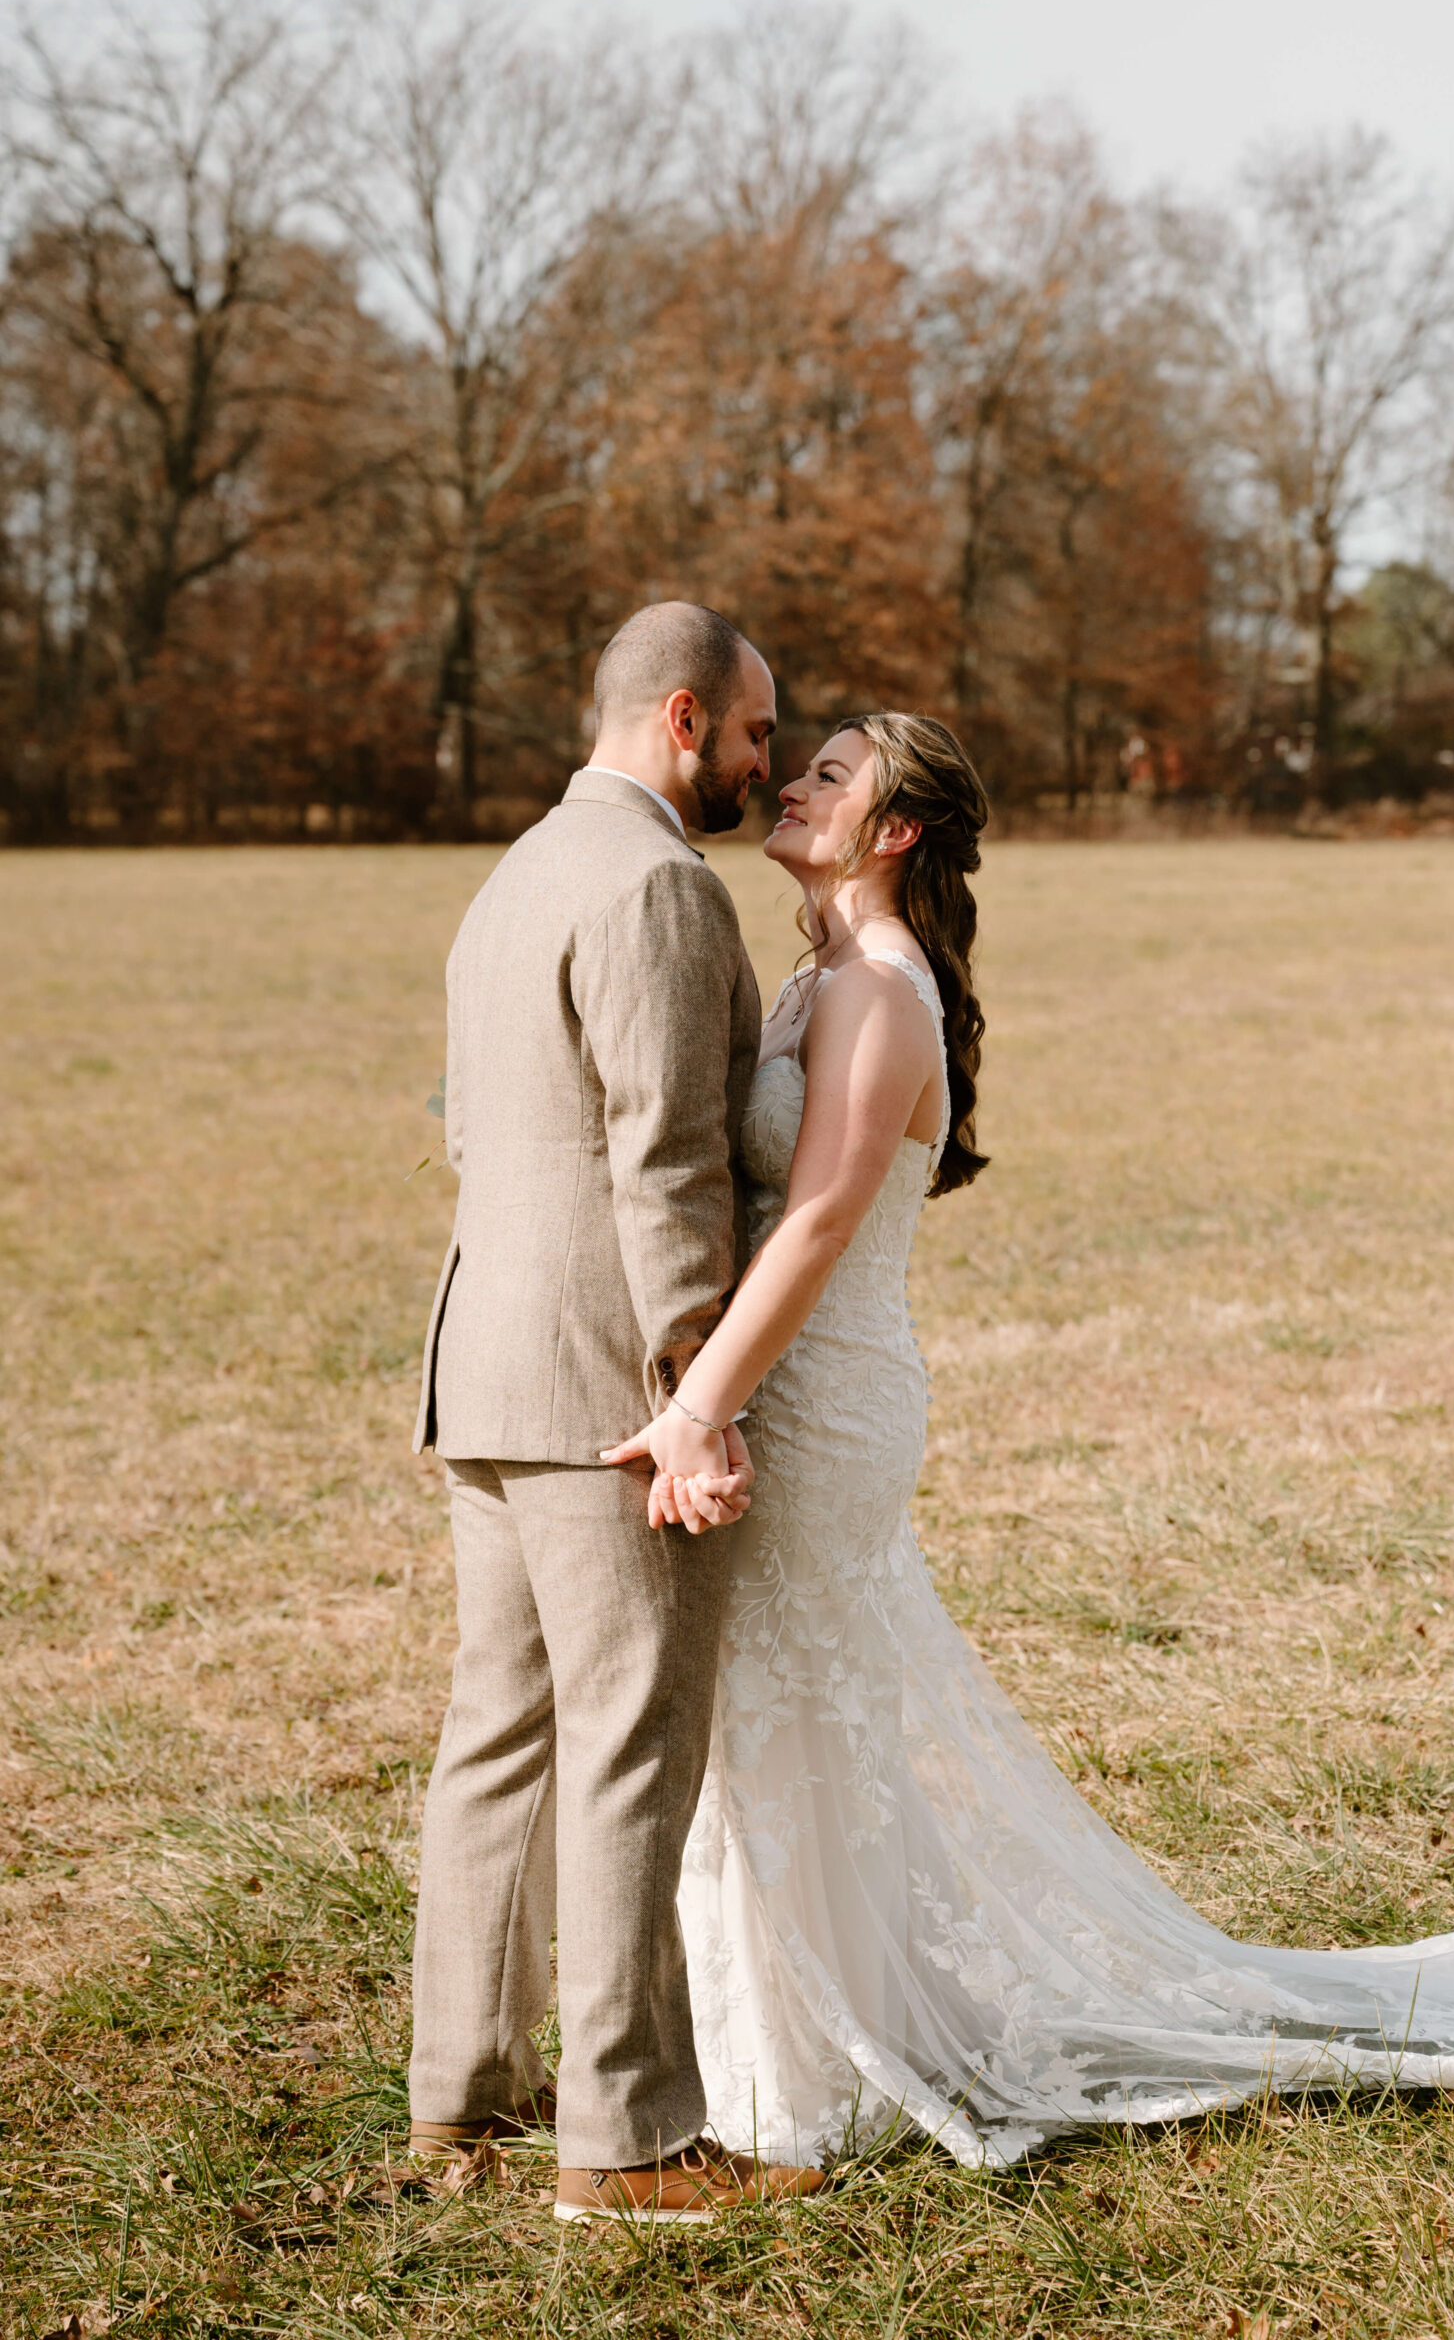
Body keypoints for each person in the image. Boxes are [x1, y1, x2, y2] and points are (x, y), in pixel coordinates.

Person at [606, 708, 1454, 2170]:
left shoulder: (880, 986)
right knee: (777, 1712)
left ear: (897, 830)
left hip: (822, 1393)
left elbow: (812, 1224)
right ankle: (795, 2030)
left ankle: (815, 2060)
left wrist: (699, 1407)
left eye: (828, 775)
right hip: (781, 1383)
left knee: (794, 1707)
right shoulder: (824, 974)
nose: (790, 784)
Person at [406, 600, 826, 2224]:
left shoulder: (515, 872)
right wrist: (694, 1392)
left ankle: (459, 2100)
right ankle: (629, 2143)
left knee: (498, 1734)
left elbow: (474, 1132)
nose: (762, 764)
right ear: (677, 720)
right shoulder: (656, 883)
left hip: (483, 1360)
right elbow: (667, 1164)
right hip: (600, 1385)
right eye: (750, 735)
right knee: (630, 1740)